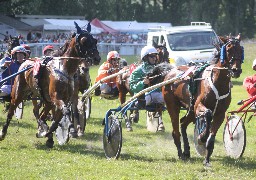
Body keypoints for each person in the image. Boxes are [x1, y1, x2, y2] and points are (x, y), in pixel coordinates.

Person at [129, 45, 165, 131]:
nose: (154, 58)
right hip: (144, 96)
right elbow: (132, 87)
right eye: (151, 56)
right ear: (145, 57)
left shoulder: (159, 69)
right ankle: (135, 111)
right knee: (146, 99)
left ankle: (160, 121)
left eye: (155, 56)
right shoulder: (137, 71)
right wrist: (142, 83)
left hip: (157, 94)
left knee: (167, 98)